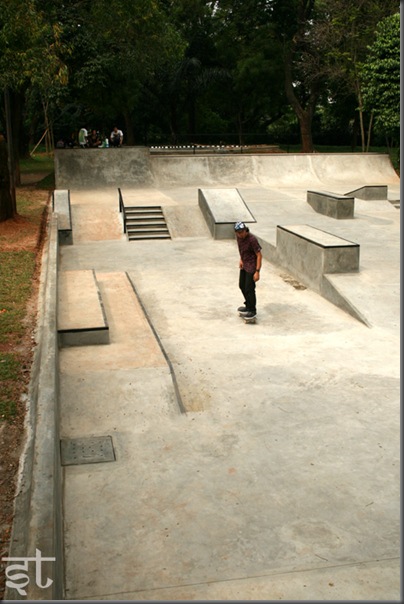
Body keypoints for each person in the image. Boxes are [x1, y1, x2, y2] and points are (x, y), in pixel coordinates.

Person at [234, 221, 262, 320]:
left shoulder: (252, 239)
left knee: (249, 289)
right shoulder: (238, 237)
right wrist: (241, 259)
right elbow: (241, 249)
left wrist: (257, 271)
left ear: (246, 230)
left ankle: (252, 310)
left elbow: (259, 255)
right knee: (242, 285)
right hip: (244, 264)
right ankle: (248, 305)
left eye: (242, 232)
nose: (240, 234)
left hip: (252, 267)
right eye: (238, 232)